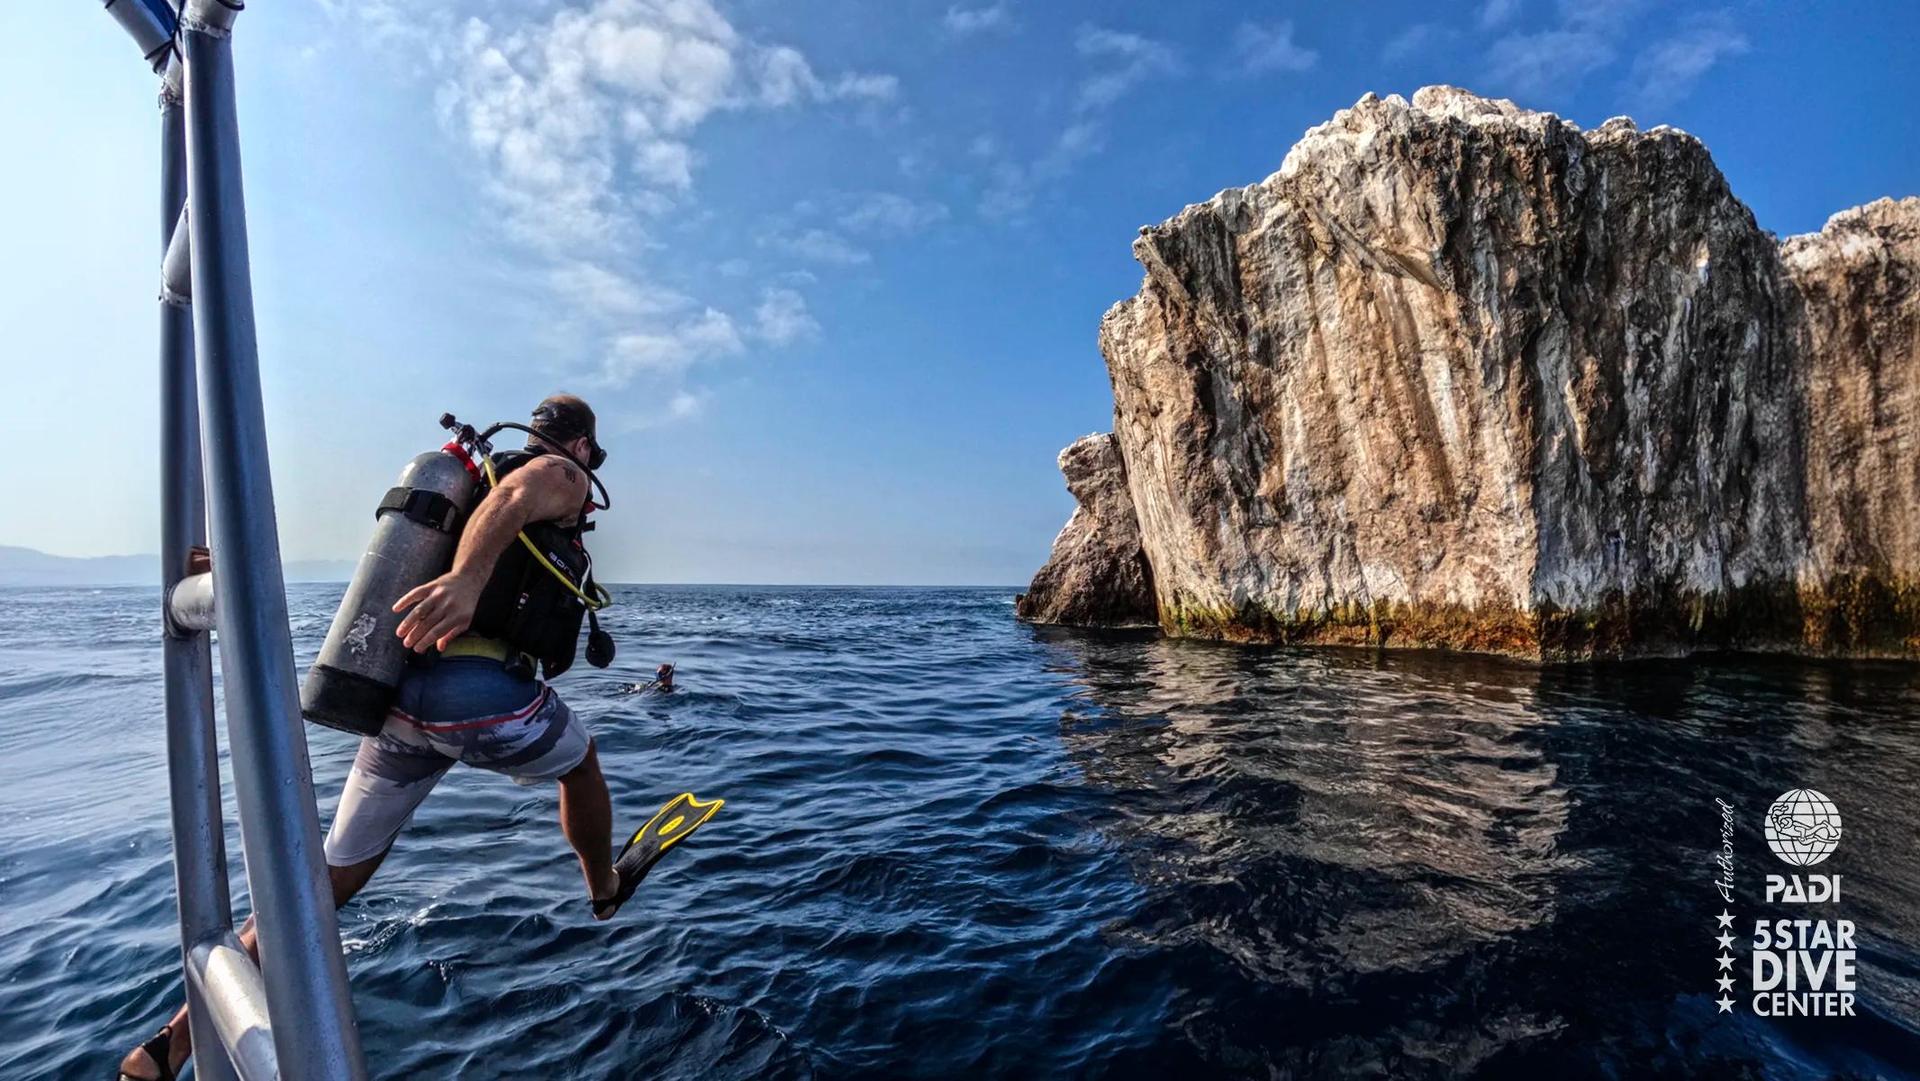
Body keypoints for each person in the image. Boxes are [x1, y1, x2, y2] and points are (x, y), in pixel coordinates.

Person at [119, 395, 667, 1081]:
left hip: (405, 705)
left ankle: (166, 1043)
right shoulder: (558, 474)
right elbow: (519, 499)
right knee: (581, 763)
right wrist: (468, 581)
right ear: (581, 443)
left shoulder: (466, 488)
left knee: (328, 879)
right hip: (482, 694)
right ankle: (603, 886)